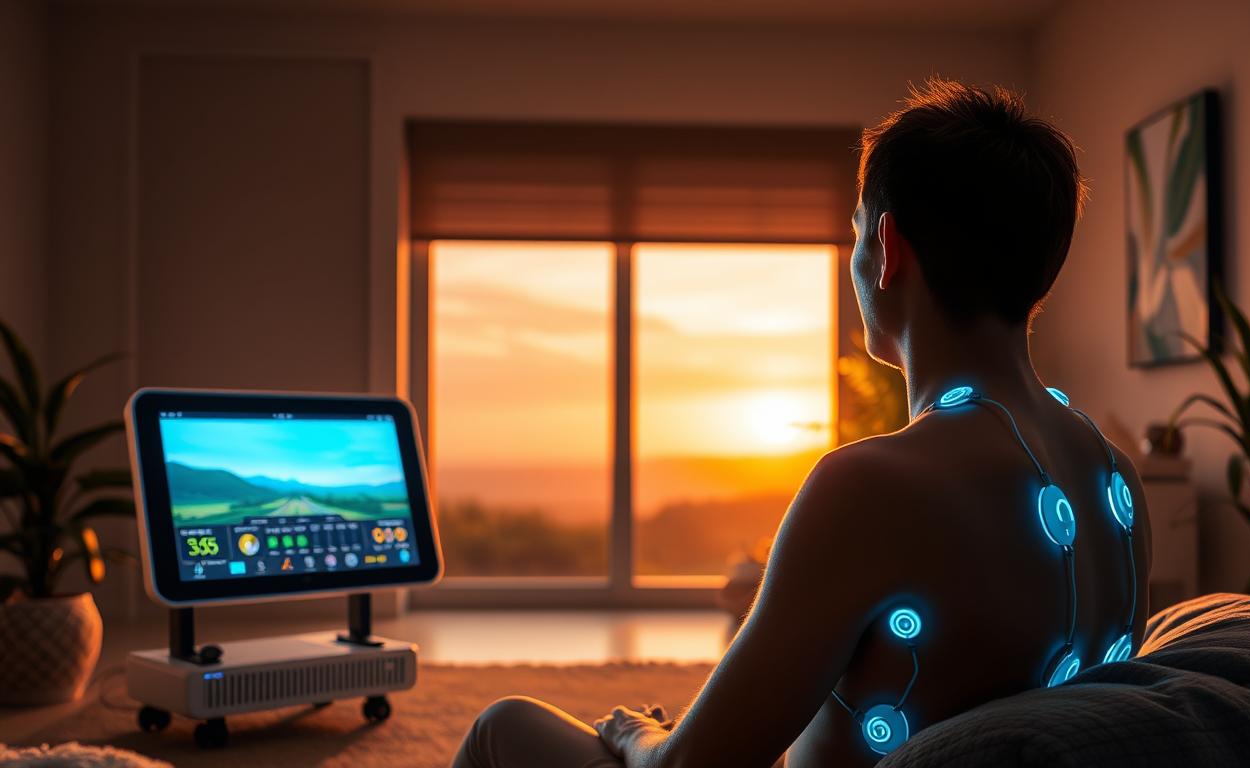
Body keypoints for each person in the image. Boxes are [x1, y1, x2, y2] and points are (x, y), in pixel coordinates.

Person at [451, 78, 1152, 768]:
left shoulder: (873, 486)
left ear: (887, 248)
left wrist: (636, 735)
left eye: (854, 236)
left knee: (502, 725)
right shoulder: (1116, 483)